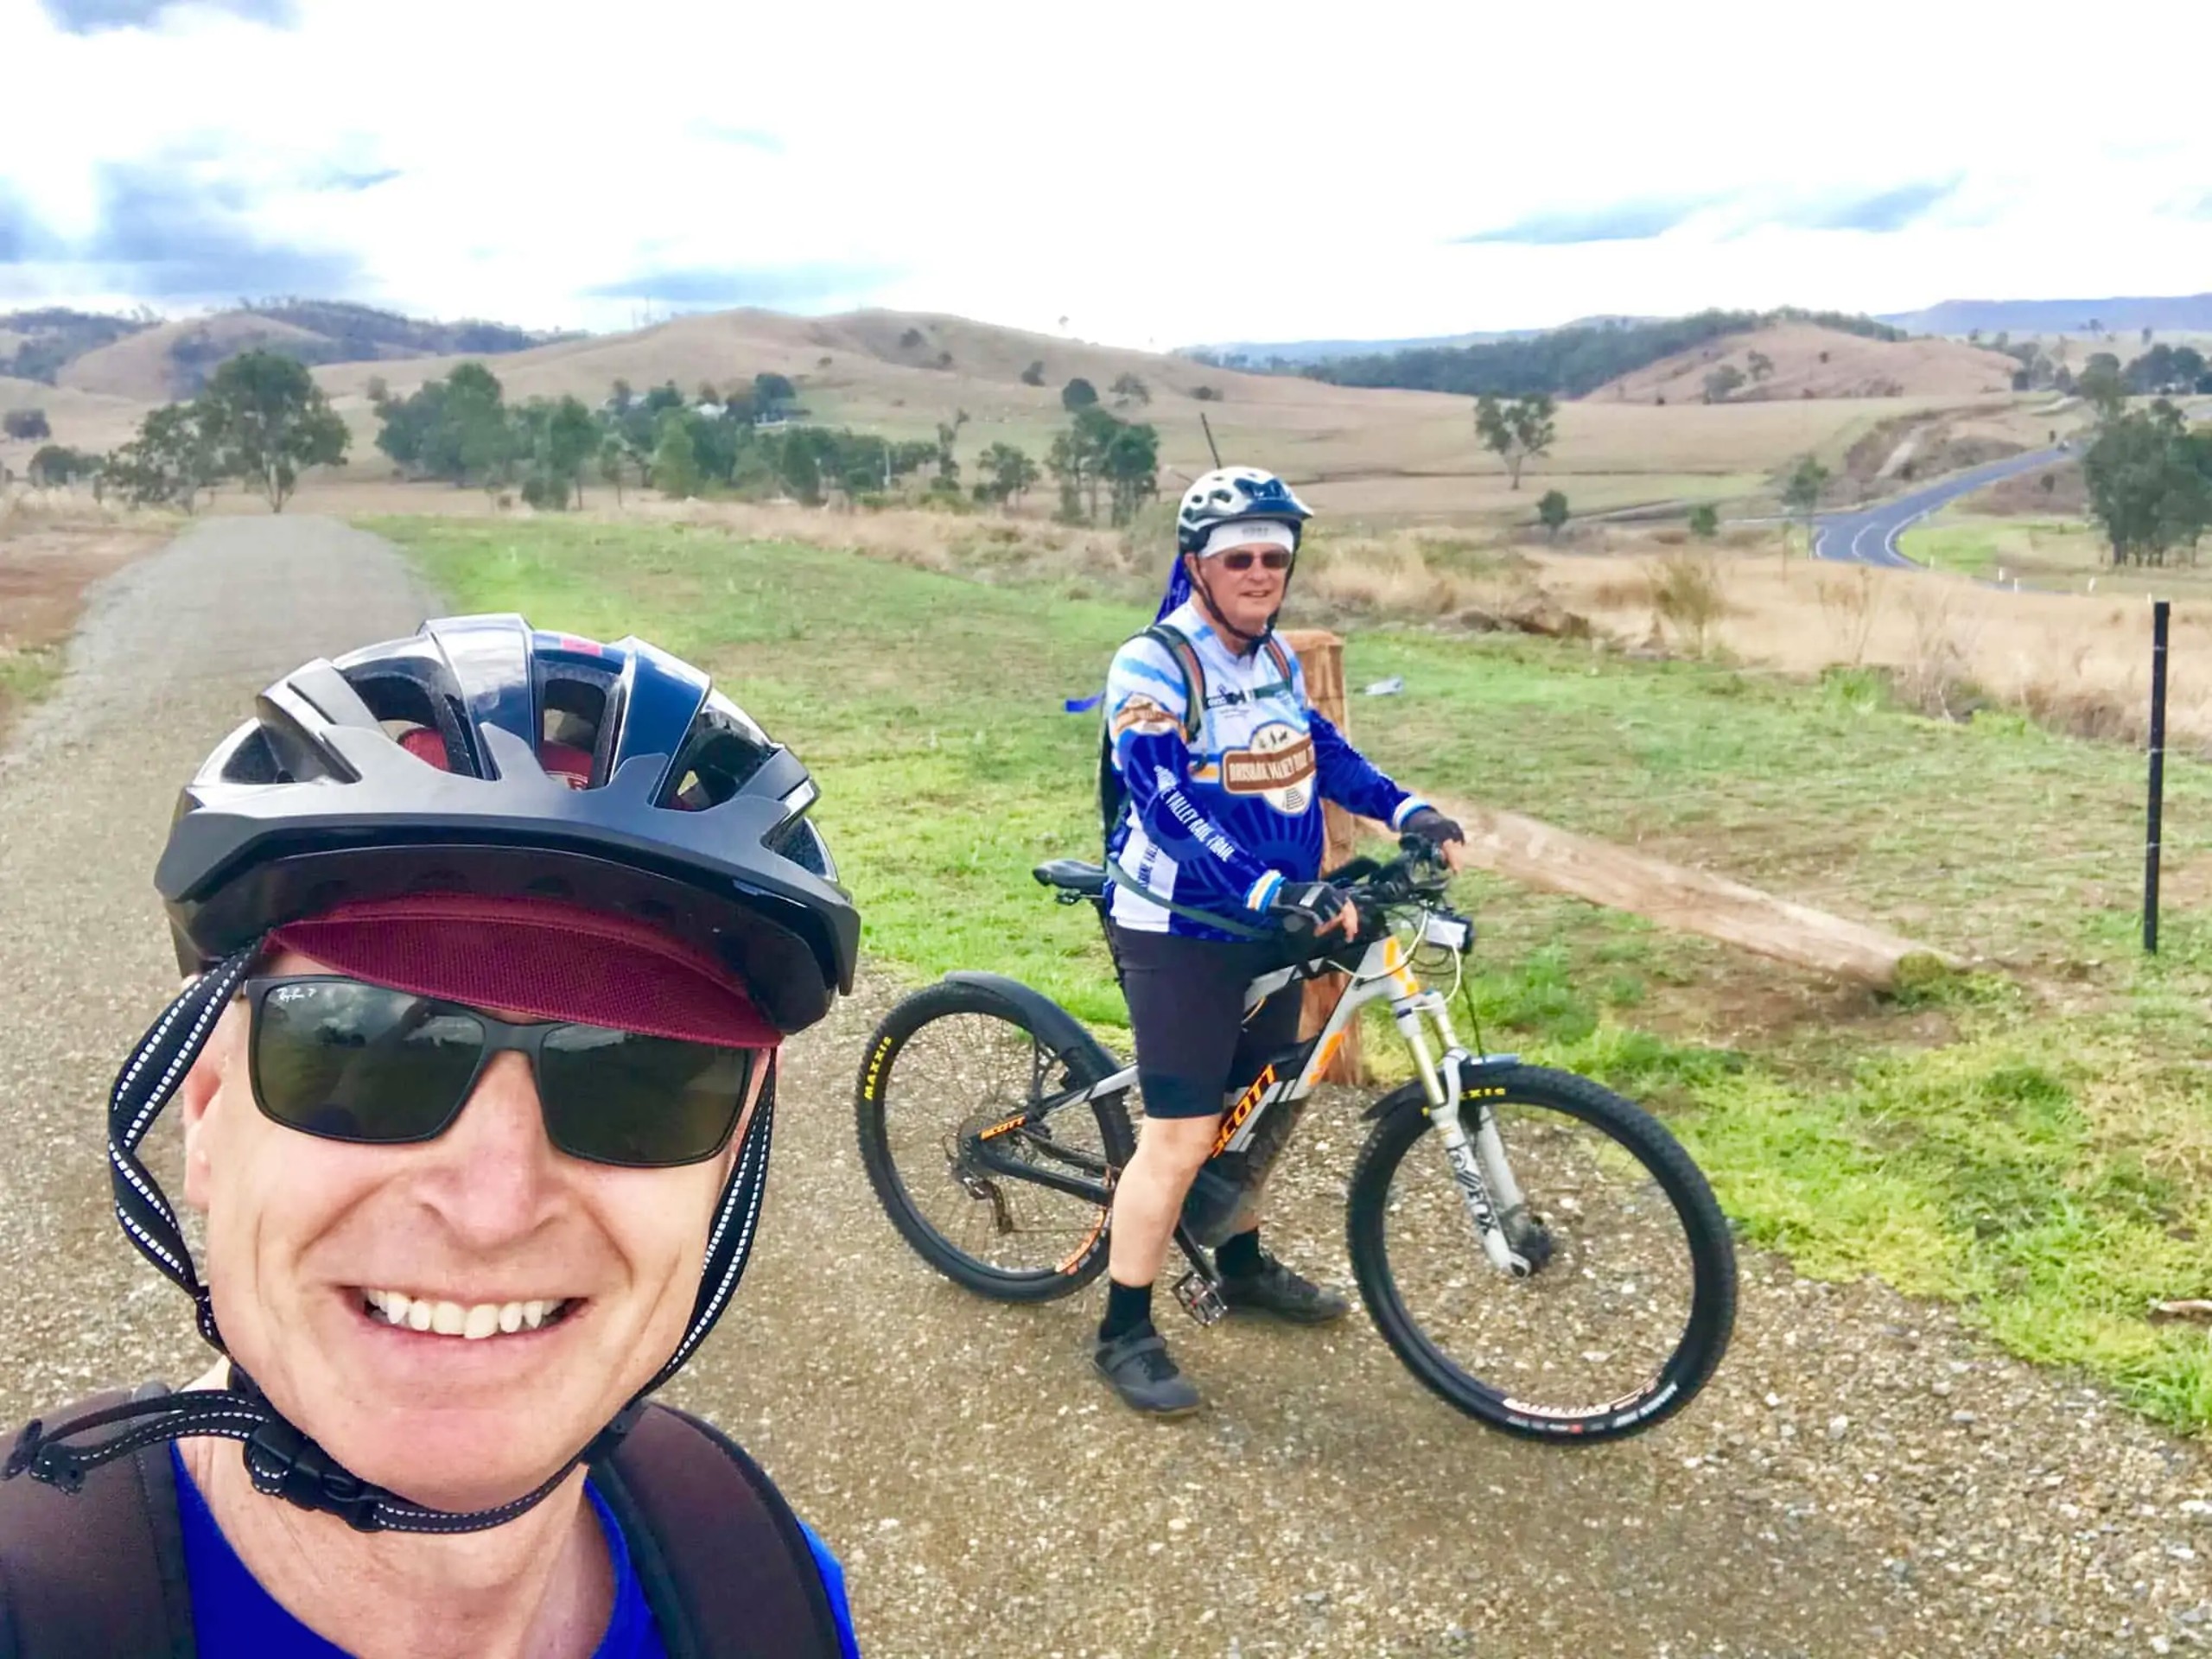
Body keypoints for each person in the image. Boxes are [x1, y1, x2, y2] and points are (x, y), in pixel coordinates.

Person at [0, 615, 863, 1657]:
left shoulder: (760, 1588)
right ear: (207, 1111)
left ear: (728, 1164)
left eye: (640, 1076)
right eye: (368, 1049)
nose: (492, 1208)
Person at [1094, 467, 1468, 1416]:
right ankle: (1124, 1327)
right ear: (1197, 567)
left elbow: (1320, 748)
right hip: (1180, 925)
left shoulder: (1272, 660)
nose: (1260, 574)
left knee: (1263, 1105)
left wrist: (1405, 808)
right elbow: (1164, 799)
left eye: (1274, 558)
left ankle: (1242, 1263)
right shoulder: (1153, 664)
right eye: (1239, 559)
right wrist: (1270, 884)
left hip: (1271, 916)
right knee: (1180, 1136)